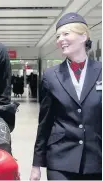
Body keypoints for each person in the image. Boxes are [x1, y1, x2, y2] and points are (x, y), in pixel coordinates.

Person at [30, 12, 102, 180]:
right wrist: (36, 164)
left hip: (96, 159)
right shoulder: (51, 76)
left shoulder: (101, 71)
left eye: (66, 34)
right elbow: (45, 123)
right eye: (58, 36)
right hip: (60, 159)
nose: (60, 39)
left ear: (83, 36)